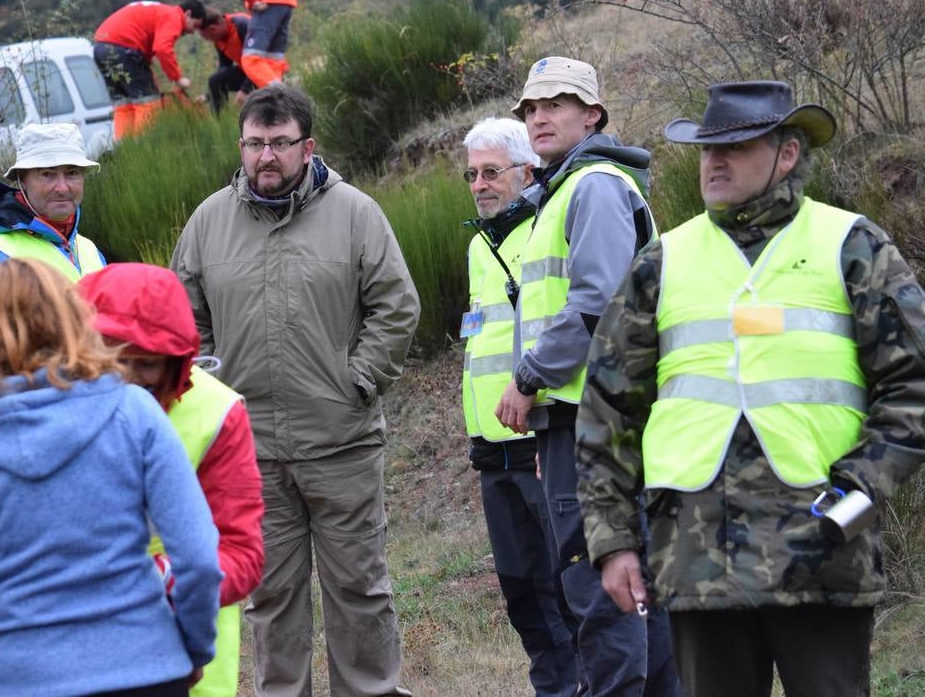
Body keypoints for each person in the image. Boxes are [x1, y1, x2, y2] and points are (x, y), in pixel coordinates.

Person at [576, 81, 925, 697]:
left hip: (822, 550)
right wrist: (612, 540)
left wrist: (859, 493)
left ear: (785, 155)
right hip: (697, 557)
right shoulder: (662, 261)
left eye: (735, 146)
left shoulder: (849, 244)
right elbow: (607, 410)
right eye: (706, 149)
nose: (714, 162)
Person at [171, 83, 420, 697]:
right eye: (255, 143)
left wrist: (356, 382)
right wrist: (210, 396)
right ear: (242, 145)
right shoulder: (208, 222)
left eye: (280, 144)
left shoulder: (355, 213)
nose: (266, 157)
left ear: (307, 147)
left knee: (359, 589)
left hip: (341, 442)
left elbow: (397, 306)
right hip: (248, 450)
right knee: (269, 596)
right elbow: (184, 319)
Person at [0, 258, 223, 696]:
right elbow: (199, 558)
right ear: (72, 317)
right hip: (148, 669)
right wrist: (193, 650)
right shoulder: (132, 412)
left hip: (24, 680)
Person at [493, 56, 677, 696]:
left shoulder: (593, 185)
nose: (539, 117)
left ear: (592, 115)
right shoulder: (568, 188)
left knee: (601, 586)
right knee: (630, 587)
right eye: (531, 109)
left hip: (592, 421)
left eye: (556, 104)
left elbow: (597, 303)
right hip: (582, 422)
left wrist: (529, 378)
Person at [79, 263, 265, 697]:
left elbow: (241, 550)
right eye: (110, 360)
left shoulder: (217, 412)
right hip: (77, 644)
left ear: (176, 361)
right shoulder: (55, 399)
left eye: (143, 365)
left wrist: (161, 581)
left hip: (187, 652)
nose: (123, 379)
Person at [459, 117, 581, 697]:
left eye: (491, 172)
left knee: (567, 590)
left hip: (542, 439)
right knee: (523, 595)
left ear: (527, 171)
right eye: (472, 174)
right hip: (491, 451)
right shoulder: (478, 246)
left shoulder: (545, 228)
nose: (480, 185)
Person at [0, 121, 105, 302]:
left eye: (72, 172)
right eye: (47, 174)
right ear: (22, 180)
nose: (62, 187)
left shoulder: (88, 249)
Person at [93, 0, 208, 138]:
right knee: (148, 102)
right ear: (187, 14)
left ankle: (126, 146)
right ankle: (143, 145)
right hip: (123, 49)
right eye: (195, 25)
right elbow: (163, 48)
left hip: (101, 48)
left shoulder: (159, 11)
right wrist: (178, 78)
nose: (192, 32)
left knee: (123, 104)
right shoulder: (173, 15)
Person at [198, 10, 252, 114]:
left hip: (265, 70)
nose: (208, 40)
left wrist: (245, 89)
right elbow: (224, 67)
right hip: (247, 72)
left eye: (207, 37)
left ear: (213, 29)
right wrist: (209, 94)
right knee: (215, 81)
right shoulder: (218, 38)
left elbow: (259, 60)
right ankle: (221, 124)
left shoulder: (242, 25)